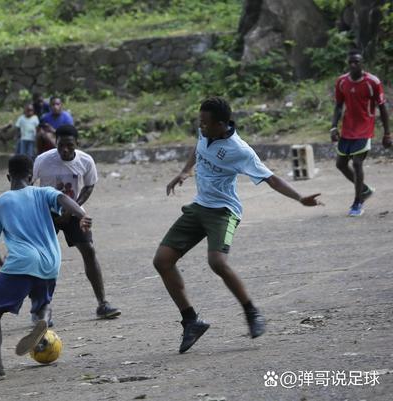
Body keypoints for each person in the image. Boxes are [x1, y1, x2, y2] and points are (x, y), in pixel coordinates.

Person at [153, 97, 322, 354]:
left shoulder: (240, 150)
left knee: (217, 262)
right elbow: (198, 148)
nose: (201, 126)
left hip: (223, 211)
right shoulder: (205, 131)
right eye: (200, 122)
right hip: (200, 206)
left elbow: (271, 179)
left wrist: (300, 198)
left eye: (205, 123)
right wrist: (186, 171)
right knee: (162, 261)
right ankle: (191, 321)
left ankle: (252, 312)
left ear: (222, 125)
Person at [0, 154, 91, 381]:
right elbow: (65, 200)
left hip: (21, 262)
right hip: (51, 261)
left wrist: (3, 265)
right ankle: (42, 321)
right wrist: (82, 216)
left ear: (8, 176)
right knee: (43, 303)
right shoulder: (43, 192)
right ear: (31, 177)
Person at [33, 124, 121, 320]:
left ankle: (102, 304)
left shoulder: (86, 161)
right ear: (55, 143)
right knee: (42, 257)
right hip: (47, 214)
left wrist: (74, 207)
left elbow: (89, 186)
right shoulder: (43, 161)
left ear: (77, 144)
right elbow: (29, 184)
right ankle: (40, 309)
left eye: (70, 146)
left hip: (73, 214)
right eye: (61, 145)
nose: (65, 150)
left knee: (89, 250)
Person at [331, 49, 391, 217]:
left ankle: (358, 202)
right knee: (340, 164)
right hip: (347, 129)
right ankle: (364, 189)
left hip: (365, 128)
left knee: (357, 163)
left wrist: (387, 133)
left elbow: (382, 108)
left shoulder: (372, 82)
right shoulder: (342, 82)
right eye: (350, 62)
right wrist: (333, 127)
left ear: (362, 63)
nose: (353, 65)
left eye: (356, 62)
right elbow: (338, 106)